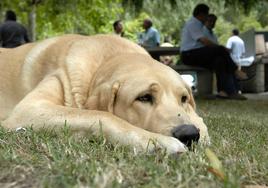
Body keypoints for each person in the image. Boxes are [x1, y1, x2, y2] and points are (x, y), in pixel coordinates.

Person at [180, 3, 247, 100]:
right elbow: (204, 41)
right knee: (220, 50)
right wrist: (220, 48)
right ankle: (236, 70)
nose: (207, 18)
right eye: (206, 15)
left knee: (219, 61)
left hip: (196, 54)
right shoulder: (194, 23)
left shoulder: (199, 25)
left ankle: (226, 92)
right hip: (189, 55)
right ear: (201, 14)